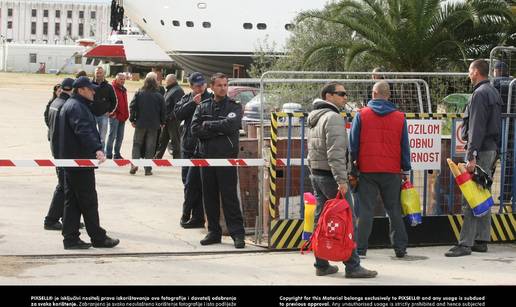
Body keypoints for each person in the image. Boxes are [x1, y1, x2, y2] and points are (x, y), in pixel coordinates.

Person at [307, 82, 377, 278]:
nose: (345, 97)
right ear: (328, 96)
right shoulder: (333, 117)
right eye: (341, 94)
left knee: (321, 219)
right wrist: (342, 180)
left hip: (317, 174)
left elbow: (312, 150)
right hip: (331, 177)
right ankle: (353, 266)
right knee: (348, 220)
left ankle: (321, 264)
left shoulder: (314, 118)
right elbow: (336, 153)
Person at [445, 59, 502, 257]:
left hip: (481, 150)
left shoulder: (479, 94)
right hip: (491, 149)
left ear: (477, 72)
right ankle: (481, 239)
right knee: (483, 193)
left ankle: (465, 243)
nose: (468, 74)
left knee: (471, 196)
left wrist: (471, 156)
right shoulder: (493, 92)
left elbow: (477, 127)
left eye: (470, 71)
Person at [350, 80, 411, 258]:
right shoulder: (400, 117)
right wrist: (405, 168)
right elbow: (404, 146)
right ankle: (400, 248)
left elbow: (353, 145)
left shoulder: (361, 115)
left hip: (367, 171)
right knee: (394, 210)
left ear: (373, 94)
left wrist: (353, 166)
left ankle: (360, 250)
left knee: (366, 210)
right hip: (392, 171)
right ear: (388, 95)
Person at [58, 76, 119, 250]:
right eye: (90, 89)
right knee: (88, 201)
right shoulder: (77, 107)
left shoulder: (72, 104)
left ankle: (70, 238)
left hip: (71, 161)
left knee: (73, 202)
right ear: (81, 90)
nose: (93, 91)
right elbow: (83, 129)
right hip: (80, 162)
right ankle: (98, 238)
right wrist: (97, 149)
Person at [191, 73, 246, 248]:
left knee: (229, 198)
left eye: (225, 85)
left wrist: (208, 125)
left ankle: (237, 234)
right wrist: (217, 127)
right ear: (212, 87)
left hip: (226, 159)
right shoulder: (203, 106)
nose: (223, 88)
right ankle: (214, 232)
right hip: (206, 158)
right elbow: (195, 129)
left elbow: (231, 125)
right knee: (209, 197)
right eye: (220, 85)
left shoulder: (234, 106)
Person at [174, 72, 211, 228]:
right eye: (197, 86)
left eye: (203, 84)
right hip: (188, 147)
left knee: (195, 184)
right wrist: (192, 104)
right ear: (191, 86)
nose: (201, 88)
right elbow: (177, 115)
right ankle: (196, 217)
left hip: (203, 148)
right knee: (187, 182)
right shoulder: (187, 98)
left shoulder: (211, 98)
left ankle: (188, 214)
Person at [43, 78, 73, 230]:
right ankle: (51, 219)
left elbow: (48, 122)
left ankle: (68, 217)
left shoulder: (55, 103)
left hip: (57, 149)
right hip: (63, 153)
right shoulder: (64, 106)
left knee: (67, 186)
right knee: (63, 186)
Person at [129, 72, 166, 176]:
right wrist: (162, 122)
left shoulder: (139, 93)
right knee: (151, 146)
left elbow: (132, 106)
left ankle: (134, 164)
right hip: (154, 125)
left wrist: (132, 119)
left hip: (140, 123)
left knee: (137, 144)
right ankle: (148, 169)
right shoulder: (159, 96)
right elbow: (163, 110)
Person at [155, 74, 185, 159]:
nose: (165, 82)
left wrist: (171, 117)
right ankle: (157, 157)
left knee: (175, 140)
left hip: (173, 121)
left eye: (167, 81)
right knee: (162, 140)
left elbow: (178, 106)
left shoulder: (178, 91)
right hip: (167, 120)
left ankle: (177, 159)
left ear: (172, 81)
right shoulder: (170, 90)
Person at [92, 66, 117, 150]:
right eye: (97, 73)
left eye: (100, 73)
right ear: (94, 73)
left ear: (104, 74)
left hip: (103, 116)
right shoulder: (89, 85)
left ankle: (102, 155)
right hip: (91, 116)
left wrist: (109, 111)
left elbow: (114, 100)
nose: (98, 74)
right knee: (91, 136)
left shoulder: (108, 87)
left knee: (102, 139)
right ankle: (91, 155)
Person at [105, 73, 129, 159]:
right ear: (116, 79)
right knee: (112, 135)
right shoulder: (112, 88)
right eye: (121, 79)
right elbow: (108, 102)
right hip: (114, 116)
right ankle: (108, 154)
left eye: (123, 79)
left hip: (123, 116)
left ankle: (117, 154)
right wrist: (112, 113)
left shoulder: (123, 89)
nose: (122, 81)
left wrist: (126, 114)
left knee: (120, 137)